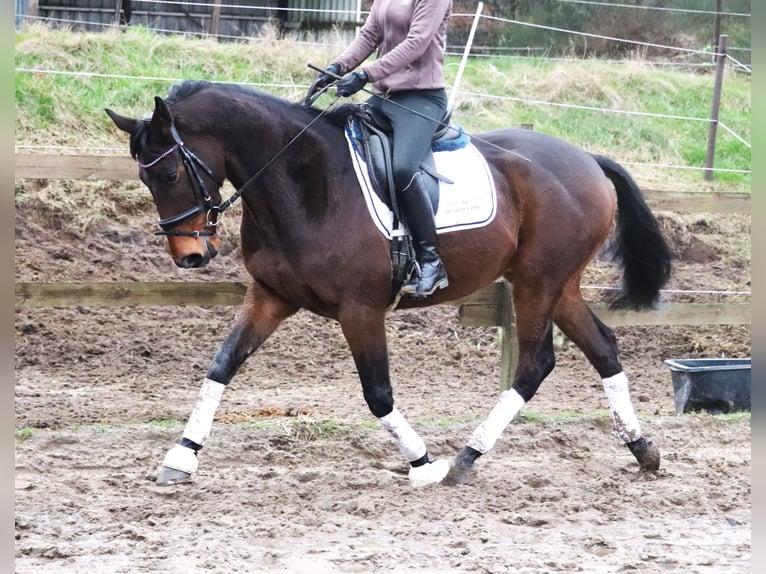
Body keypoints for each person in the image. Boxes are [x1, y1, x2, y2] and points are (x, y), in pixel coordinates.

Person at [313, 0, 453, 298]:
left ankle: (430, 259)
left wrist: (365, 75)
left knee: (403, 168)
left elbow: (417, 42)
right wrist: (338, 67)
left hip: (421, 98)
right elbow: (368, 35)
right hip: (383, 97)